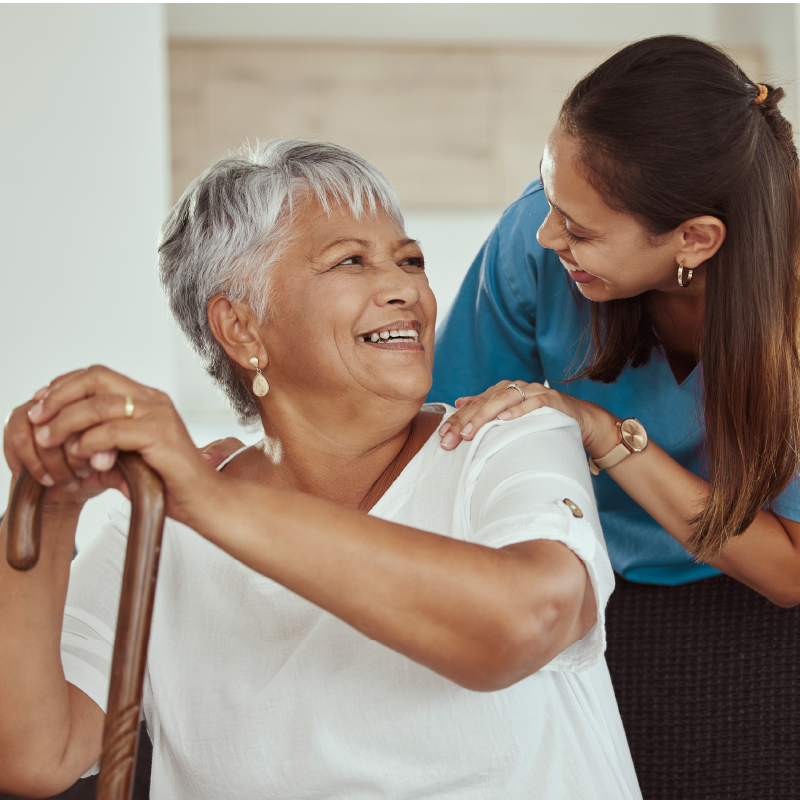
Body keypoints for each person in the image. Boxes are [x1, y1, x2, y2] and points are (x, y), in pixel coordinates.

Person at [0, 140, 641, 799]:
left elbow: (523, 624)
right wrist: (48, 509)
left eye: (408, 260)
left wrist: (209, 502)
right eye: (351, 262)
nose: (404, 290)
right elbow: (31, 757)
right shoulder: (159, 527)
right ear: (242, 329)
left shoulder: (509, 436)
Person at [429, 35, 800, 799]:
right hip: (574, 590)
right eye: (549, 198)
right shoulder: (536, 245)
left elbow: (788, 571)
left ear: (695, 238)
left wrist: (604, 435)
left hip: (754, 618)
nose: (545, 234)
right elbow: (447, 431)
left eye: (580, 228)